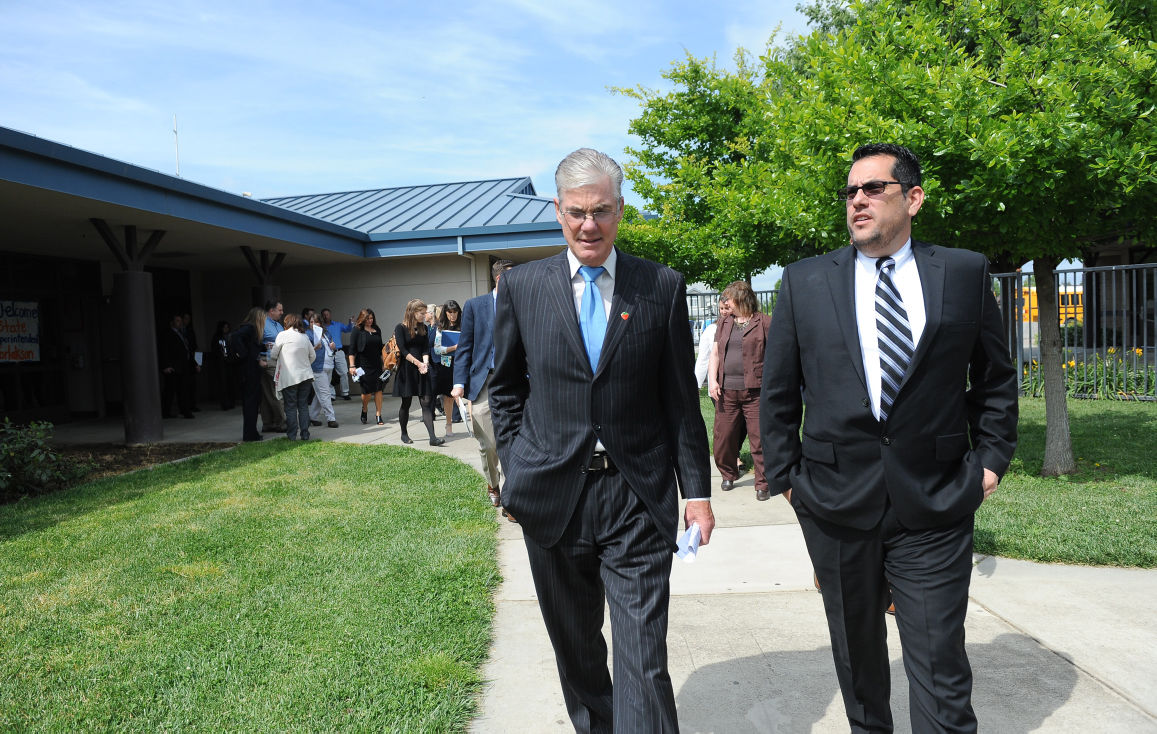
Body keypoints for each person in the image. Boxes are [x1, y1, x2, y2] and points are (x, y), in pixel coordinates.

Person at [760, 143, 1018, 733]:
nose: (857, 201)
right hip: (833, 503)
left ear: (913, 198)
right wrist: (790, 482)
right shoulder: (804, 282)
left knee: (940, 668)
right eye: (850, 191)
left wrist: (992, 462)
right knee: (859, 666)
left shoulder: (963, 273)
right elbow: (777, 392)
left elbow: (996, 378)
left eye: (873, 188)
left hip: (935, 500)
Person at [490, 148, 714, 733]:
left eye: (602, 211)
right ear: (558, 212)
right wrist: (516, 470)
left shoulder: (660, 286)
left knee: (643, 659)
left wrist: (697, 493)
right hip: (551, 496)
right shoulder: (522, 286)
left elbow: (680, 403)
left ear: (620, 211)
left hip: (636, 497)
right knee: (578, 651)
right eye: (576, 212)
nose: (589, 225)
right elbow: (506, 390)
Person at [452, 260, 513, 508]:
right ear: (500, 280)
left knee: (514, 441)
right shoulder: (476, 306)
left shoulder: (521, 304)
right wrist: (459, 383)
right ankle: (493, 482)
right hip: (484, 382)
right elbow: (465, 347)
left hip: (515, 380)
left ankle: (512, 495)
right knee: (488, 442)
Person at [708, 281, 770, 500]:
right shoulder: (724, 323)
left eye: (729, 298)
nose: (726, 303)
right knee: (723, 437)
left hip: (756, 392)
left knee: (759, 438)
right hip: (726, 391)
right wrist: (713, 380)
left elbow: (775, 355)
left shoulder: (764, 322)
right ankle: (728, 473)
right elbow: (715, 353)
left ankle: (762, 483)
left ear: (741, 298)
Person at [393, 299, 445, 447]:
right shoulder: (400, 328)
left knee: (426, 402)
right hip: (407, 370)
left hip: (422, 368)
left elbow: (425, 348)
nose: (424, 315)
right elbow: (403, 351)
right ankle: (404, 433)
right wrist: (418, 363)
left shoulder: (424, 328)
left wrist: (425, 364)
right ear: (412, 312)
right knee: (406, 402)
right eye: (421, 313)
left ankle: (433, 438)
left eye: (424, 313)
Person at [270, 313, 315, 440]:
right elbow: (313, 356)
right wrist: (304, 365)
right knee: (303, 406)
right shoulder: (304, 336)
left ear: (287, 323)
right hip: (305, 376)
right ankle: (305, 434)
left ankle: (291, 436)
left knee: (290, 407)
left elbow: (273, 355)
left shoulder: (282, 335)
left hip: (289, 377)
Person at [232, 307, 267, 441]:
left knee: (251, 403)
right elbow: (236, 338)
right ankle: (250, 434)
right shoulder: (250, 328)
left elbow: (249, 345)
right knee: (251, 403)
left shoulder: (249, 328)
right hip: (249, 371)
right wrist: (249, 356)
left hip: (248, 371)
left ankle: (251, 433)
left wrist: (263, 347)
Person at [349, 308, 386, 425]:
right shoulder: (357, 330)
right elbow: (351, 350)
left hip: (376, 364)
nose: (370, 320)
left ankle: (378, 414)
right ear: (363, 319)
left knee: (379, 389)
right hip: (363, 365)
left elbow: (381, 349)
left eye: (371, 318)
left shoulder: (377, 329)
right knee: (366, 392)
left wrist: (384, 363)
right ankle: (364, 409)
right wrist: (352, 366)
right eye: (368, 318)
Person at [433, 299, 461, 436]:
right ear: (445, 313)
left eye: (455, 312)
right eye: (450, 312)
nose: (452, 315)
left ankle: (475, 425)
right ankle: (448, 425)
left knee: (470, 395)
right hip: (447, 364)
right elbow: (437, 349)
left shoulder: (465, 325)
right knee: (448, 397)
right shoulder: (440, 328)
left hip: (462, 363)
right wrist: (453, 348)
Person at [158, 313, 194, 419]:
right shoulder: (168, 334)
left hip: (185, 365)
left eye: (182, 320)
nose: (182, 322)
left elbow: (192, 349)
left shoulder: (186, 333)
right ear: (172, 323)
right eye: (178, 320)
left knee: (185, 389)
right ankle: (167, 411)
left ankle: (187, 409)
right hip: (175, 366)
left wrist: (197, 363)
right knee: (171, 390)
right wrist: (165, 365)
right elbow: (164, 351)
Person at [260, 300, 287, 434]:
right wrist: (259, 358)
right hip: (267, 360)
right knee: (277, 391)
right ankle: (282, 423)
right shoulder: (262, 324)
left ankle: (268, 423)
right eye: (280, 310)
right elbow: (255, 342)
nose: (282, 313)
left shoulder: (278, 325)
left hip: (277, 361)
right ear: (271, 311)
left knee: (267, 394)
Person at [308, 312, 339, 428]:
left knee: (319, 394)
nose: (313, 324)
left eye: (315, 322)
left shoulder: (325, 333)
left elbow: (331, 348)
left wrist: (333, 346)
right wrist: (315, 348)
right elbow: (306, 351)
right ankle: (331, 419)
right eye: (311, 322)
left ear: (320, 323)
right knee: (326, 393)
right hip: (317, 368)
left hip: (329, 366)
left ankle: (312, 417)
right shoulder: (308, 335)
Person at [321, 308, 354, 400]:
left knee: (344, 372)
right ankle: (331, 395)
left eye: (327, 314)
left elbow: (348, 329)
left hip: (339, 351)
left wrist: (351, 323)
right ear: (322, 316)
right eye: (324, 314)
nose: (326, 316)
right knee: (329, 373)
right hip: (327, 353)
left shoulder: (337, 325)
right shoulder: (321, 327)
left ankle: (345, 393)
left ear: (330, 315)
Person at [210, 320, 237, 410]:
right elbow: (215, 350)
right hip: (221, 363)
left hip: (230, 362)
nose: (226, 329)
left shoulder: (230, 336)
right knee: (223, 383)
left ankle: (231, 402)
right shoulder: (217, 337)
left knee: (231, 383)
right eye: (224, 327)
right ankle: (225, 403)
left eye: (227, 327)